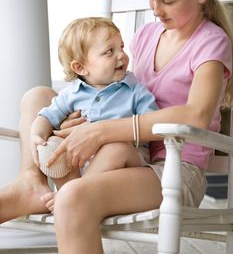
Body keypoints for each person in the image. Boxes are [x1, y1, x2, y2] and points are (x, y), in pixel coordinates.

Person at [0, 0, 233, 254]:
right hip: (128, 156)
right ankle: (30, 182)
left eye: (165, 1)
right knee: (37, 97)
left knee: (73, 198)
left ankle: (66, 189)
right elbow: (123, 93)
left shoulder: (211, 43)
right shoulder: (146, 35)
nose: (155, 9)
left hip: (174, 168)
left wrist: (101, 131)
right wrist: (77, 121)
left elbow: (196, 114)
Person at [31, 17, 157, 190]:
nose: (121, 55)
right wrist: (37, 135)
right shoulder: (72, 93)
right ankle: (69, 189)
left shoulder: (134, 90)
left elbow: (152, 126)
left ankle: (75, 193)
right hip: (80, 163)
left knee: (116, 149)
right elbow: (46, 116)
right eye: (109, 52)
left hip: (124, 164)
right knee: (52, 145)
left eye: (121, 47)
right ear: (81, 67)